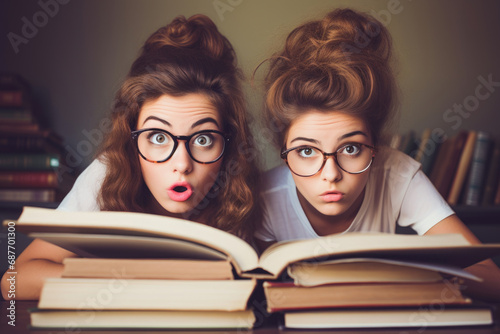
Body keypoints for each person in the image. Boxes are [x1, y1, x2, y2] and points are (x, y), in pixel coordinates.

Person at [1, 14, 260, 300]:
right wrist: (128, 281)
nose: (182, 165)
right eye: (159, 138)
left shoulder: (241, 186)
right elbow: (13, 281)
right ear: (132, 138)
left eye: (203, 140)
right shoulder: (108, 173)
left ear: (229, 143)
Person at [255, 8, 500, 301]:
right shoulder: (265, 197)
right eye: (306, 151)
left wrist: (413, 276)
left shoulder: (395, 173)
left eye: (351, 148)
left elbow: (488, 276)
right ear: (284, 154)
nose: (331, 174)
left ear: (375, 146)